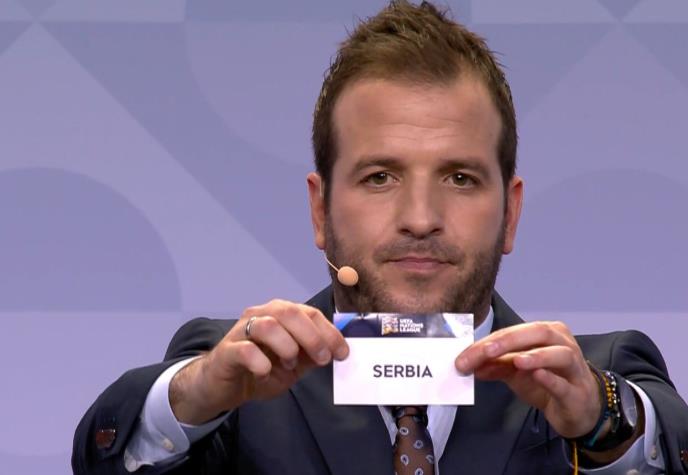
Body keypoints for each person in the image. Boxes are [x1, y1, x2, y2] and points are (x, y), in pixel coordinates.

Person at [72, 1, 688, 474]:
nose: (420, 217)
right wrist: (195, 393)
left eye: (460, 177)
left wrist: (605, 420)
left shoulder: (598, 379)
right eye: (380, 177)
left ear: (511, 213)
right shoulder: (233, 382)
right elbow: (103, 456)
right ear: (320, 210)